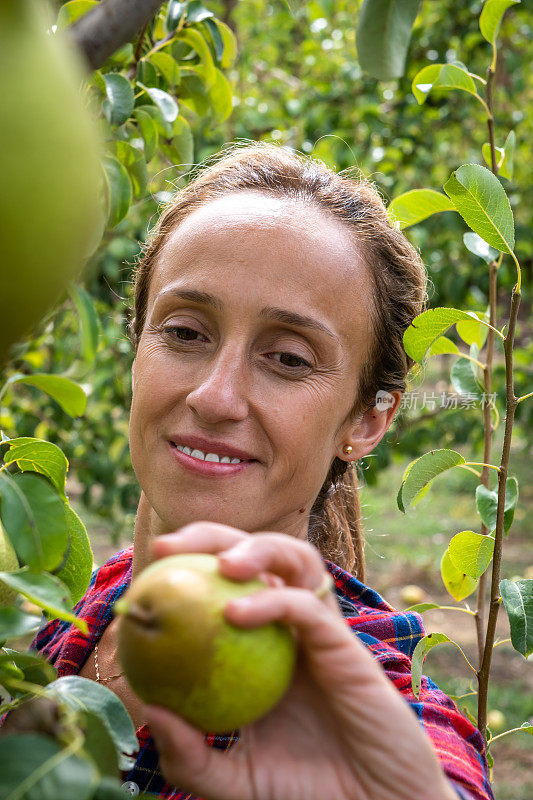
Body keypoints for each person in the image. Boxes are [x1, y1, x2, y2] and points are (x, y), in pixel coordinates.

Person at [32, 142, 494, 800]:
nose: (214, 398)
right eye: (186, 333)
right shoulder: (64, 625)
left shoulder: (364, 698)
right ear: (137, 347)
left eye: (288, 358)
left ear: (366, 420)